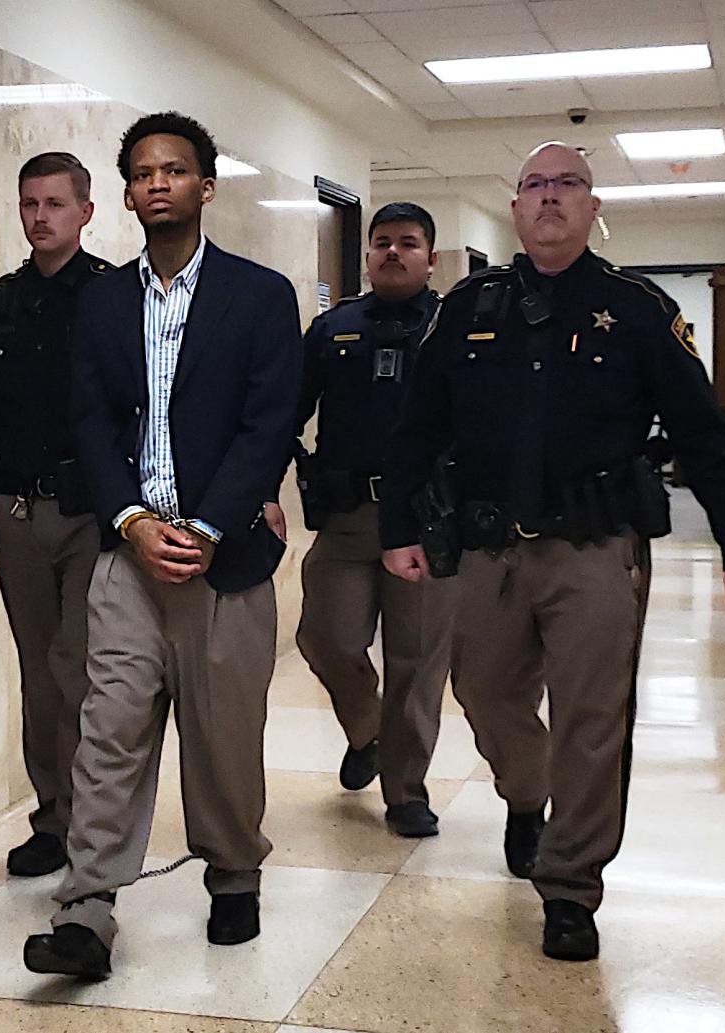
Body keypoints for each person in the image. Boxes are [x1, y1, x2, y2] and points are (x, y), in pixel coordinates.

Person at [380, 142, 725, 962]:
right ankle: (529, 793)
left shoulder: (635, 308)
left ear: (594, 209)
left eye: (568, 185)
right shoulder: (469, 304)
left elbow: (703, 432)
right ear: (515, 209)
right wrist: (399, 528)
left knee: (592, 718)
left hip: (595, 547)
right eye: (534, 185)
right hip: (487, 546)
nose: (550, 197)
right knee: (482, 691)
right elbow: (418, 423)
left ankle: (571, 887)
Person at [23, 112, 302, 978]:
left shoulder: (259, 294)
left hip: (226, 558)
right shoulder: (107, 299)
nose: (157, 184)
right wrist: (134, 522)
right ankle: (88, 906)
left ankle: (232, 874)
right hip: (128, 557)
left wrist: (210, 526)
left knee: (222, 735)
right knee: (107, 729)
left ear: (204, 186)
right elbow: (92, 421)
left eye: (174, 171)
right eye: (142, 173)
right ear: (129, 192)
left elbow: (270, 422)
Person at [266, 203, 456, 839]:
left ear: (431, 257)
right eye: (381, 244)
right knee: (326, 639)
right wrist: (264, 488)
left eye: (408, 244)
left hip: (429, 523)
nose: (392, 254)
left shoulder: (455, 329)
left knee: (417, 660)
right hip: (348, 517)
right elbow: (284, 414)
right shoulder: (333, 328)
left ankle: (406, 791)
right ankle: (366, 730)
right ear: (367, 255)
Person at [0, 153, 112, 878]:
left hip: (91, 514)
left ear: (85, 210)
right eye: (29, 204)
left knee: (79, 671)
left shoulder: (115, 298)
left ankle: (90, 824)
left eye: (54, 203)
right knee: (39, 676)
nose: (40, 217)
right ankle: (51, 819)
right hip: (16, 511)